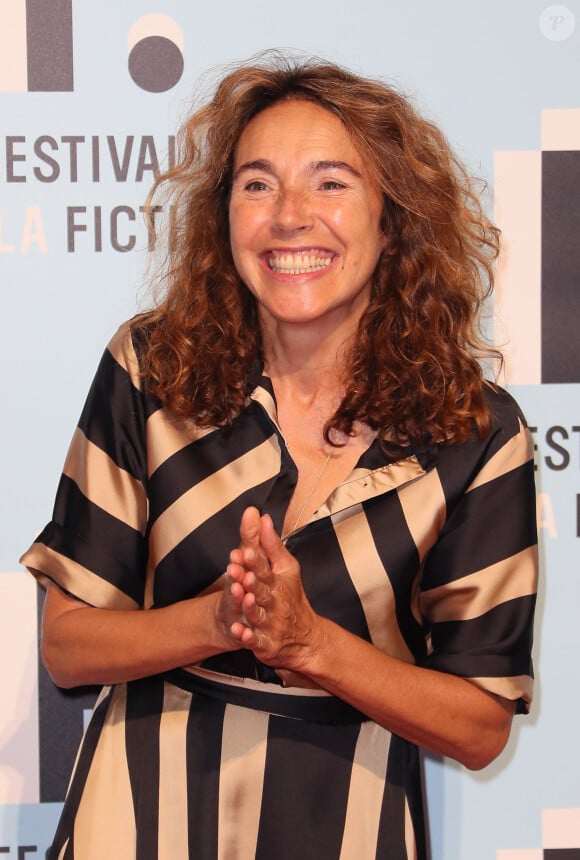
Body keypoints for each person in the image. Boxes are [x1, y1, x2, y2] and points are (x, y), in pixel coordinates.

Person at [21, 54, 538, 860]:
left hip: (349, 823)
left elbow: (477, 726)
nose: (291, 215)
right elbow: (69, 646)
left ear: (392, 217)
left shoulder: (474, 432)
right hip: (133, 822)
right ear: (224, 216)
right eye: (257, 184)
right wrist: (217, 621)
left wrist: (310, 644)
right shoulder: (153, 369)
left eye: (332, 183)